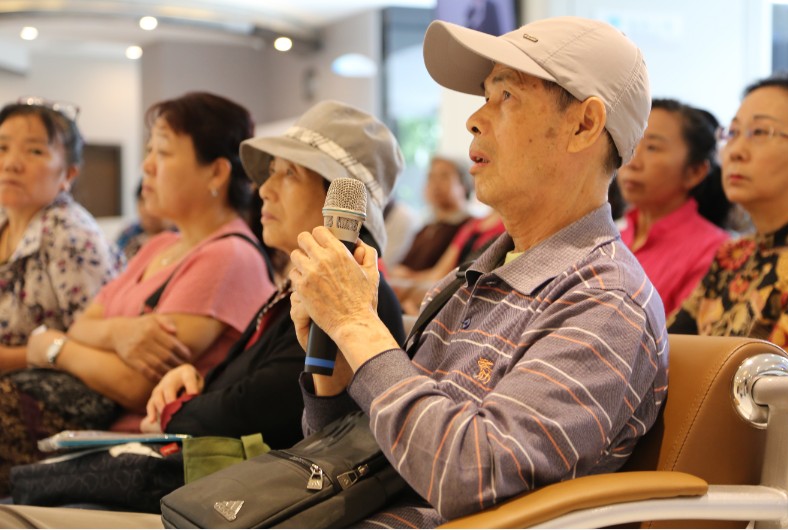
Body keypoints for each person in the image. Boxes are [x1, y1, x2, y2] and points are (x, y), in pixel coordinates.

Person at [289, 16, 668, 527]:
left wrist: (358, 326)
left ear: (583, 125)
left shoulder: (607, 299)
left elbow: (469, 476)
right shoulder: (470, 280)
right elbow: (368, 465)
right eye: (485, 96)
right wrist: (337, 378)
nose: (474, 119)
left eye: (506, 96)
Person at [0, 91, 273, 495]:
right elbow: (82, 325)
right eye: (149, 152)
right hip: (100, 442)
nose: (146, 166)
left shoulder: (228, 256)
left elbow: (135, 384)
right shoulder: (158, 246)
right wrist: (120, 334)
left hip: (148, 457)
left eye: (163, 152)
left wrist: (53, 347)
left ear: (216, 173)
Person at [139, 100, 407, 446]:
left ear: (341, 204)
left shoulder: (357, 298)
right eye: (271, 171)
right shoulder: (296, 288)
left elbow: (254, 412)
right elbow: (247, 388)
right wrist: (194, 380)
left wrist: (172, 410)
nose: (264, 189)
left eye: (290, 173)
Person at [668, 73, 788, 377]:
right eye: (733, 132)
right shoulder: (733, 254)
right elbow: (665, 353)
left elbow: (779, 387)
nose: (735, 151)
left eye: (760, 132)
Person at [0, 98, 123, 374]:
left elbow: (101, 342)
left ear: (68, 174)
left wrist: (15, 358)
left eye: (34, 151)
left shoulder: (72, 235)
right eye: (2, 147)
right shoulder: (4, 219)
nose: (10, 163)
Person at [617, 98, 731, 316]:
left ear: (694, 172)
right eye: (631, 142)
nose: (632, 160)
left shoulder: (715, 252)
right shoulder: (611, 235)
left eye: (652, 148)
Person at [393, 155, 474, 273]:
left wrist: (409, 278)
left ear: (464, 185)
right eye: (431, 177)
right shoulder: (426, 228)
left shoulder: (470, 227)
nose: (436, 184)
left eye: (444, 176)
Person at [115, 179, 174, 261]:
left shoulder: (180, 237)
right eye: (143, 201)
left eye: (156, 201)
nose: (148, 209)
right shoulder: (129, 234)